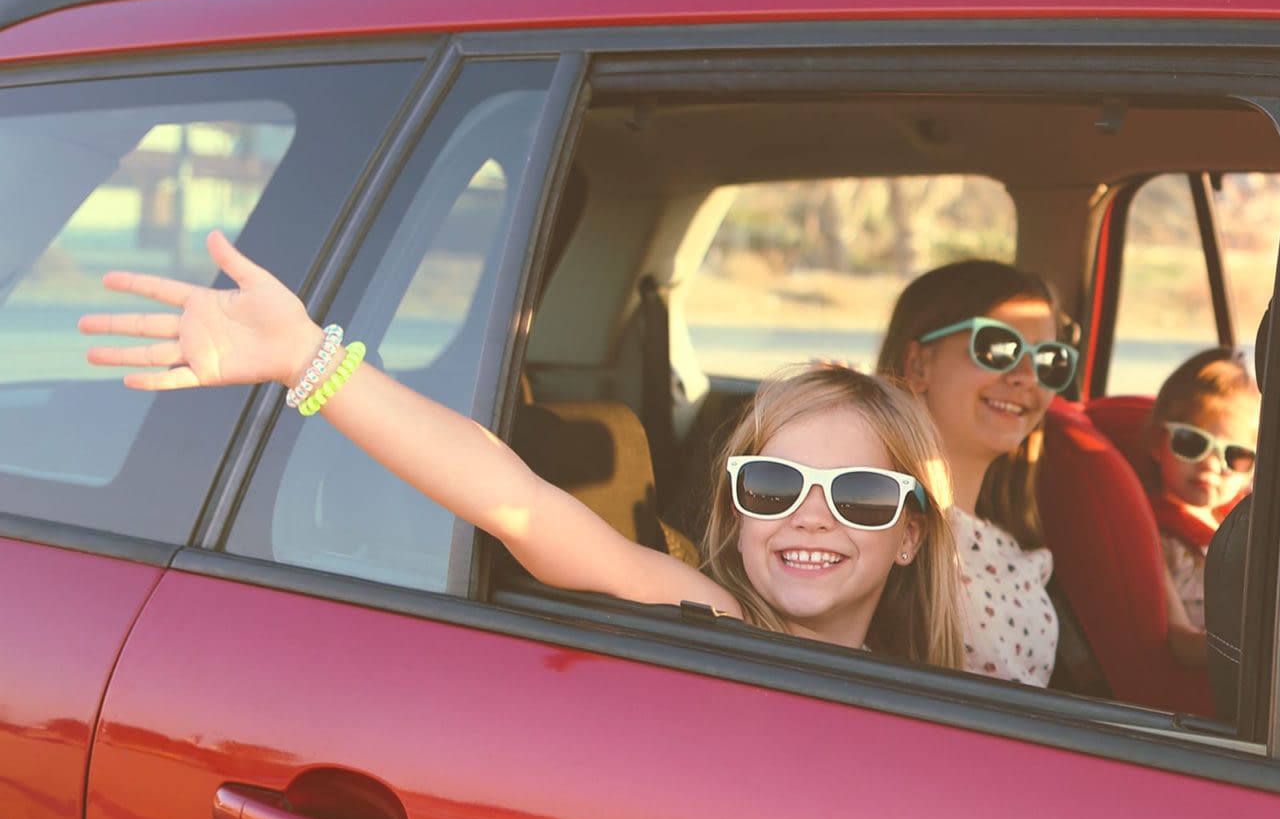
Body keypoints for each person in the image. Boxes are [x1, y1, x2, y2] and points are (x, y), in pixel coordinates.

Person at [80, 230, 967, 667]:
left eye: (858, 496)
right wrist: (310, 362)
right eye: (772, 485)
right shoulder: (716, 618)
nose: (811, 515)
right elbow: (517, 503)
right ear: (736, 506)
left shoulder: (935, 678)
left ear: (912, 531)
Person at [878, 260, 1078, 686]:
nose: (1026, 377)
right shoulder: (874, 525)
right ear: (918, 365)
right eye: (998, 348)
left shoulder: (1007, 541)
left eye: (1049, 360)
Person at [1144, 348, 1259, 668]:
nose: (1210, 465)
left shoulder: (1252, 522)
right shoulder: (1153, 536)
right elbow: (1180, 642)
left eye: (1235, 455)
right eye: (1192, 443)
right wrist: (1259, 651)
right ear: (1158, 442)